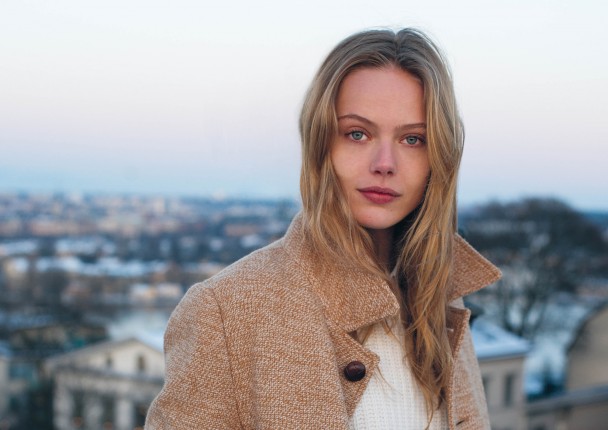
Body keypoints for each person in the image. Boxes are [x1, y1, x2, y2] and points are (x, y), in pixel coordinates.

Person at [145, 28, 500, 430]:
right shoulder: (226, 311)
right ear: (320, 145)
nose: (385, 163)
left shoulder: (442, 303)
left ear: (440, 157)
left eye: (413, 139)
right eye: (357, 134)